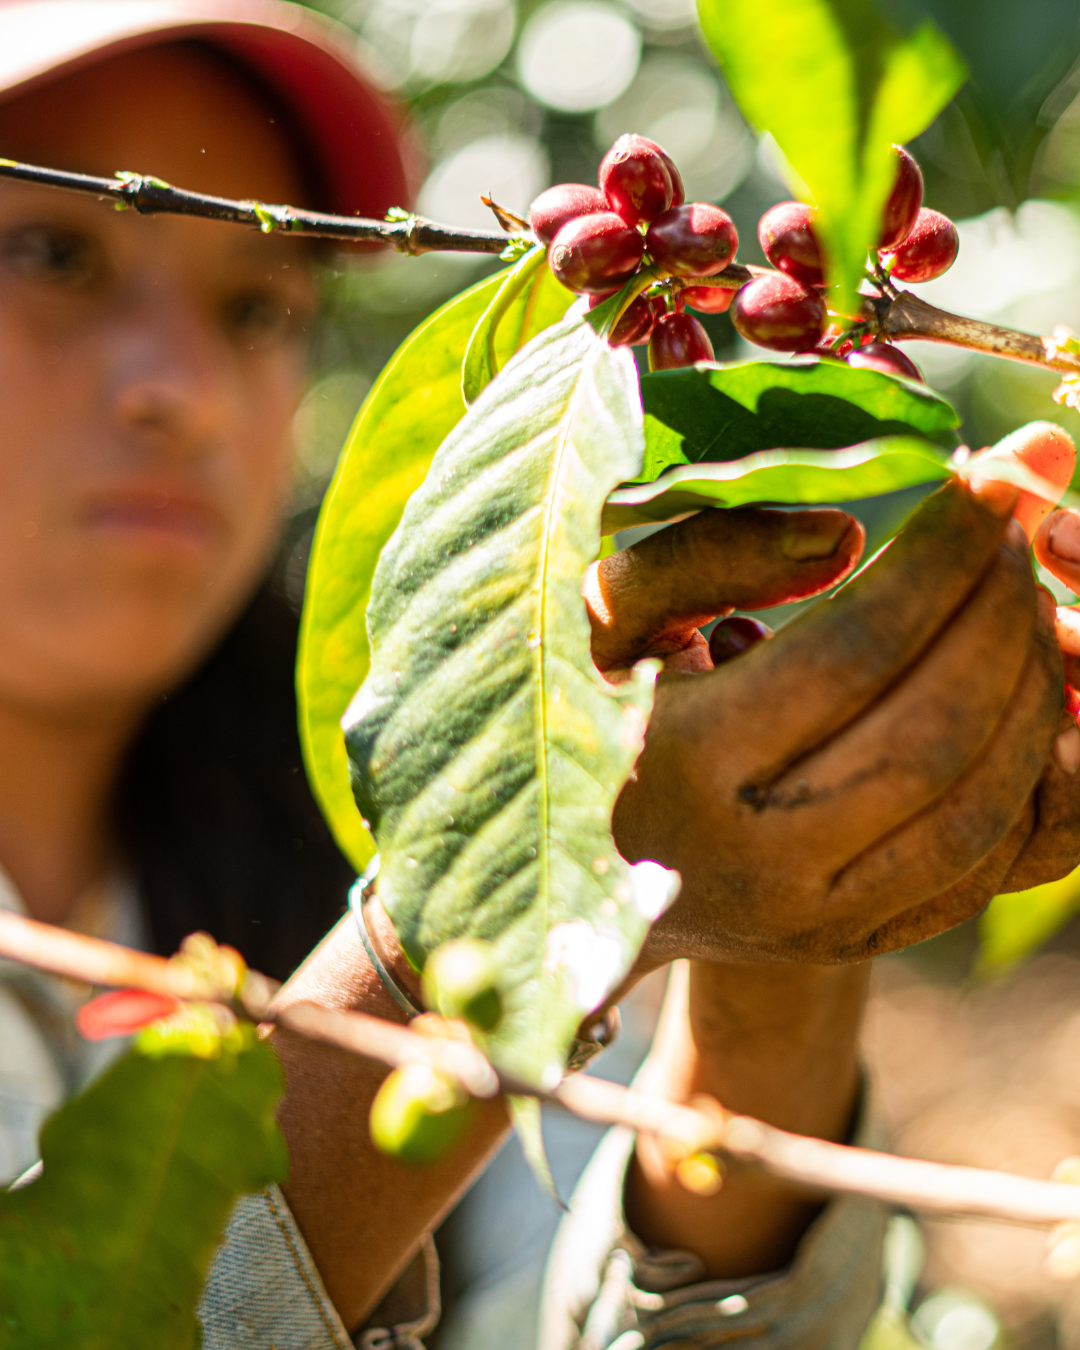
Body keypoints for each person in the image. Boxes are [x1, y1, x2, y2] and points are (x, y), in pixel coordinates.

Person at [0, 3, 1077, 1348]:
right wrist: (458, 928)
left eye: (253, 304)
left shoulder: (339, 790)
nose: (186, 389)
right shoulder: (449, 809)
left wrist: (761, 974)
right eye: (51, 252)